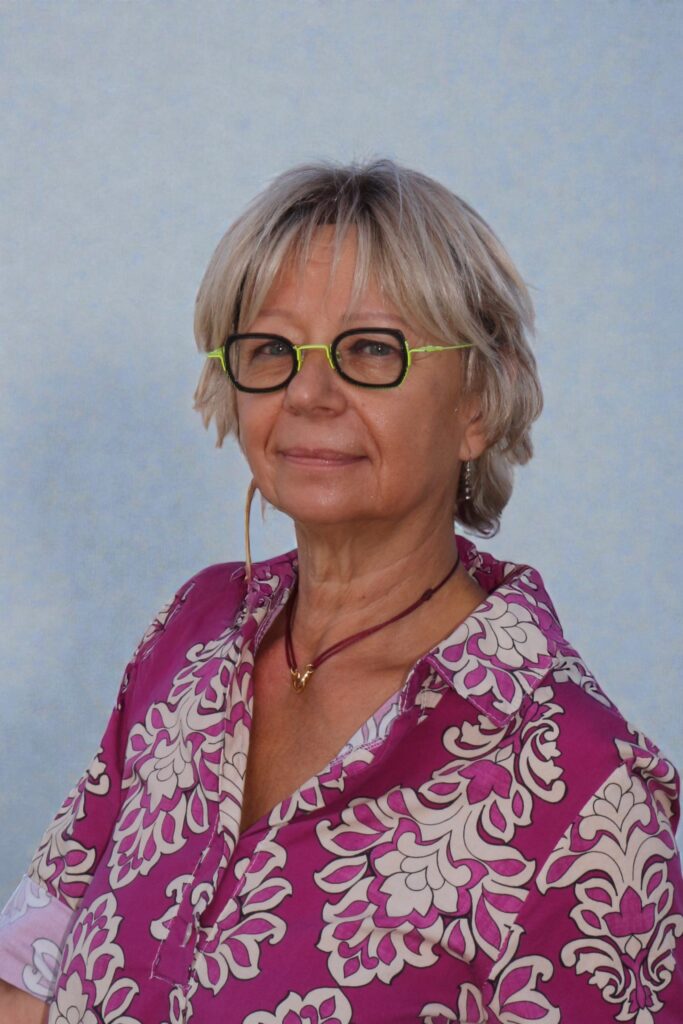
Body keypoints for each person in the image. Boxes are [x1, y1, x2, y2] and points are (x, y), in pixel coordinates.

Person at [1, 158, 681, 1024]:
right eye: (271, 350)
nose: (307, 392)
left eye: (370, 350)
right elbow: (35, 958)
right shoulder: (192, 631)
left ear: (478, 399)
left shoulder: (584, 783)